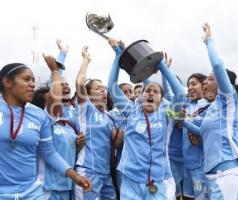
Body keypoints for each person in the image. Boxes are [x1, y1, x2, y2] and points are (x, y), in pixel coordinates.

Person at [107, 38, 185, 200]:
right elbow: (112, 87)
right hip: (130, 180)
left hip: (159, 180)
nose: (150, 93)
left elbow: (180, 93)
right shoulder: (131, 111)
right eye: (147, 91)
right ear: (140, 97)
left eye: (155, 91)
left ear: (162, 100)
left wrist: (160, 64)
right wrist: (117, 55)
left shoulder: (167, 114)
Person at [0, 62, 91, 199]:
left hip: (32, 192)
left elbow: (48, 152)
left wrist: (75, 176)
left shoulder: (38, 114)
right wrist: (55, 70)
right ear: (7, 82)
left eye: (33, 81)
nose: (32, 84)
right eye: (26, 79)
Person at [189, 23, 238, 199]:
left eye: (210, 78)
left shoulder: (228, 100)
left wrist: (209, 41)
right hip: (213, 177)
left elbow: (217, 64)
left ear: (222, 84)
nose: (205, 82)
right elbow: (202, 133)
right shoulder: (212, 107)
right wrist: (181, 120)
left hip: (228, 177)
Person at [74, 46, 116, 200]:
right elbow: (79, 83)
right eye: (98, 88)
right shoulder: (87, 109)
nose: (103, 91)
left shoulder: (109, 117)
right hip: (87, 171)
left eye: (104, 88)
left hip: (105, 174)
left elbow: (117, 142)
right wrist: (86, 60)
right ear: (89, 95)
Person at [180, 73, 208, 200]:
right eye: (188, 85)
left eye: (194, 84)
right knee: (187, 197)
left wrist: (200, 141)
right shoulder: (186, 105)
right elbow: (170, 112)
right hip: (186, 163)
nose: (190, 87)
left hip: (202, 164)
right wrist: (177, 119)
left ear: (204, 85)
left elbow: (212, 135)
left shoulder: (210, 106)